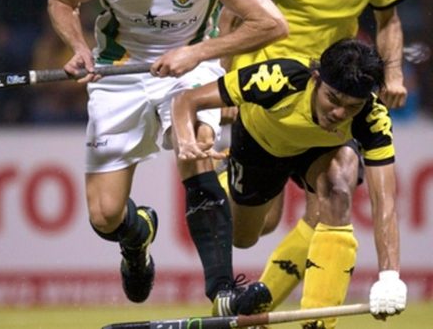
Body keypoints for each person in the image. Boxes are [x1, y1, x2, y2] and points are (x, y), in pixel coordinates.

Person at [46, 0, 288, 315]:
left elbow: (271, 23)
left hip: (189, 68)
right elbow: (62, 1)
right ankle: (137, 236)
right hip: (119, 74)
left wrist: (196, 54)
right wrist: (80, 48)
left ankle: (222, 292)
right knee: (104, 216)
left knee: (195, 146)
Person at [217, 0, 409, 320]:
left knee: (335, 192)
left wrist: (394, 73)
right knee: (255, 229)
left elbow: (389, 19)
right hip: (274, 94)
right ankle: (222, 187)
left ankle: (309, 318)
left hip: (335, 93)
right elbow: (232, 15)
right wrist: (227, 79)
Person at [172, 38, 406, 327]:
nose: (339, 113)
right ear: (316, 79)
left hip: (320, 150)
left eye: (352, 106)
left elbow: (384, 201)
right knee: (244, 237)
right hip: (259, 146)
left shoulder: (372, 118)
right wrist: (186, 140)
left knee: (338, 189)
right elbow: (187, 100)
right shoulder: (277, 78)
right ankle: (227, 177)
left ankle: (319, 322)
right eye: (333, 99)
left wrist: (389, 277)